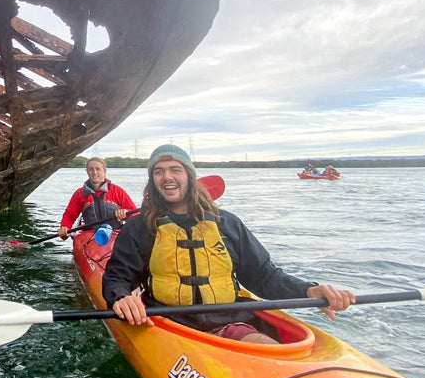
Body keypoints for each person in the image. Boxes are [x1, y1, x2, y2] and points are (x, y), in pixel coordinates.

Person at [102, 144, 355, 344]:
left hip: (228, 323)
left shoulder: (227, 224)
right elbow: (117, 277)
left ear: (189, 176)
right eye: (159, 171)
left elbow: (264, 276)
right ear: (153, 181)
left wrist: (309, 291)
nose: (167, 176)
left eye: (175, 169)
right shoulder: (139, 227)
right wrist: (121, 297)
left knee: (264, 346)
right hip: (166, 325)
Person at [57, 157, 136, 239]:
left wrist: (126, 213)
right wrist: (65, 227)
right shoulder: (79, 194)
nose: (94, 172)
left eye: (98, 169)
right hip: (88, 237)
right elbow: (69, 215)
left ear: (104, 171)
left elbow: (136, 215)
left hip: (114, 235)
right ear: (87, 172)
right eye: (91, 169)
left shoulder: (117, 191)